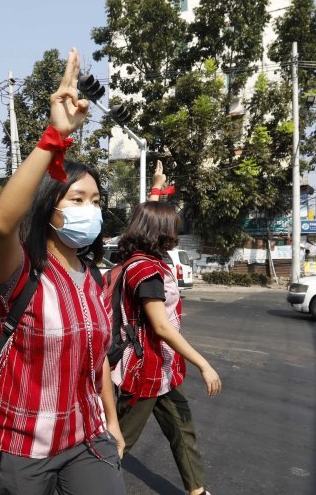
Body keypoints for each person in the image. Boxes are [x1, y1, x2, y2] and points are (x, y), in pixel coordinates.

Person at [0, 49, 125, 494]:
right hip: (21, 447)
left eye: (96, 201)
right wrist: (53, 138)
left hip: (88, 437)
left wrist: (113, 425)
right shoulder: (20, 273)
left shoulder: (96, 278)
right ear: (49, 207)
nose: (90, 210)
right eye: (76, 200)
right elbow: (2, 223)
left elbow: (96, 358)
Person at [112, 199, 221, 495]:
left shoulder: (145, 260)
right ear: (160, 230)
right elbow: (160, 326)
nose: (176, 229)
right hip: (145, 370)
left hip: (165, 369)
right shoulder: (145, 270)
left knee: (182, 427)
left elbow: (147, 212)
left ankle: (196, 490)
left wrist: (157, 188)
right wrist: (204, 364)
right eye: (172, 224)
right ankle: (87, 483)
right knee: (119, 440)